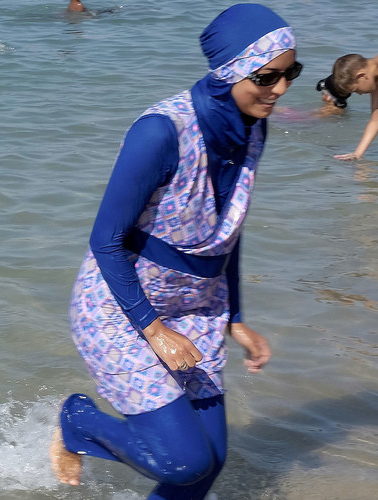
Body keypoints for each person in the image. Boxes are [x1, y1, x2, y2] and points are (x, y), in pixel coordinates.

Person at [50, 4, 296, 498]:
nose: (281, 89)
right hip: (121, 308)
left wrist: (235, 317)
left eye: (292, 74)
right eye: (267, 76)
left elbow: (230, 226)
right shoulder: (161, 131)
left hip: (196, 307)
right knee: (183, 463)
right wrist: (154, 330)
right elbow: (105, 240)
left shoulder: (251, 126)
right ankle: (77, 421)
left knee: (210, 463)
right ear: (229, 71)